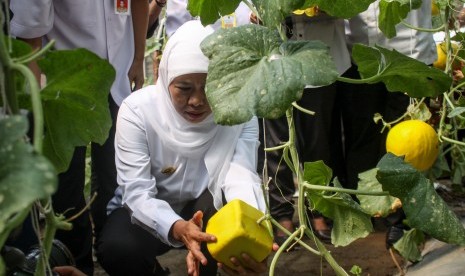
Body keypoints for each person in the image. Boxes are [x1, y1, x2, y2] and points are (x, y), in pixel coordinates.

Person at [96, 20, 276, 276]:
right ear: (165, 76)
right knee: (117, 247)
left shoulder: (239, 112)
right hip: (148, 211)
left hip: (206, 205)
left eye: (209, 88)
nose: (196, 101)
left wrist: (255, 229)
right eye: (184, 88)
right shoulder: (136, 111)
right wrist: (177, 226)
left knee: (222, 216)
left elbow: (241, 176)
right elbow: (136, 191)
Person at [9, 1, 148, 274]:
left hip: (116, 79)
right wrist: (40, 104)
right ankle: (77, 264)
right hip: (65, 88)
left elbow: (139, 3)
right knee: (67, 188)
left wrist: (137, 57)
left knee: (115, 177)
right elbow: (30, 39)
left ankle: (112, 254)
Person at [340, 0, 437, 245]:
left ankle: (404, 219)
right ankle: (365, 209)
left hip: (410, 53)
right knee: (362, 135)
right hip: (361, 51)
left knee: (410, 144)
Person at [257, 10, 351, 244]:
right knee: (276, 144)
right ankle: (282, 214)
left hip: (317, 55)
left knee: (319, 142)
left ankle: (318, 209)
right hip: (273, 61)